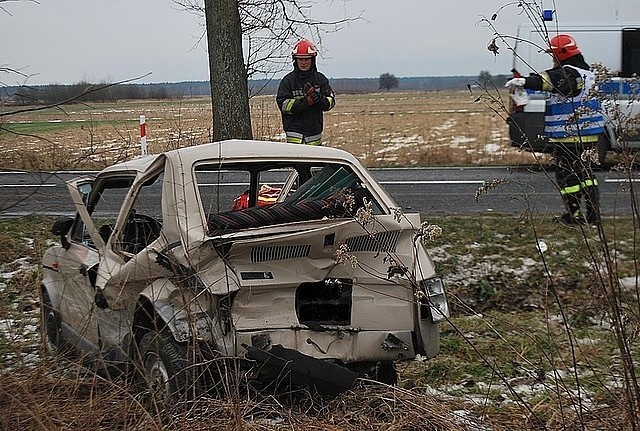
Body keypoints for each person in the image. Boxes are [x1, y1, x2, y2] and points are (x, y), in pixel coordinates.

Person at [505, 34, 605, 225]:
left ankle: (573, 217)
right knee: (586, 175)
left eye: (553, 55)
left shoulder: (570, 73)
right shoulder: (587, 73)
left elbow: (551, 80)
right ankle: (593, 216)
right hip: (590, 134)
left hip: (570, 136)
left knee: (567, 178)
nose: (552, 59)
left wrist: (525, 81)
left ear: (561, 54)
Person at [276, 39, 336, 146]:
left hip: (314, 135)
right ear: (295, 60)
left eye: (307, 59)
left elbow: (330, 103)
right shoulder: (288, 81)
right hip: (294, 137)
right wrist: (305, 103)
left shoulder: (320, 80)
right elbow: (283, 105)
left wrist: (317, 98)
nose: (304, 62)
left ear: (312, 60)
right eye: (301, 59)